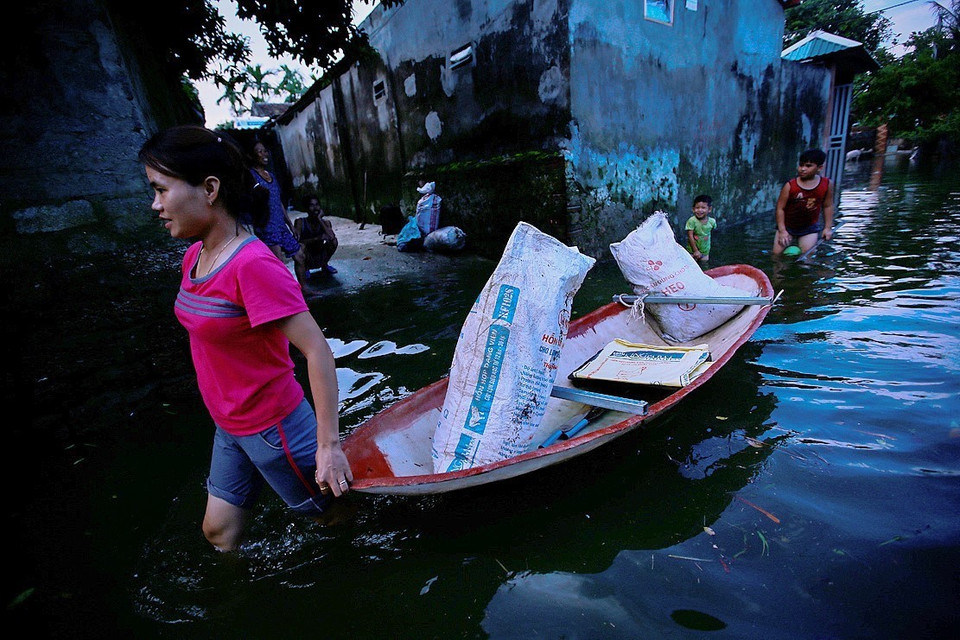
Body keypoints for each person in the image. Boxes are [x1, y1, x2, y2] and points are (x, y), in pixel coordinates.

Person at [139, 125, 352, 552]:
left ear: (210, 189)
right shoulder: (194, 256)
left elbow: (316, 350)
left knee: (338, 523)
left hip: (276, 431)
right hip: (229, 425)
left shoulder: (252, 266)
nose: (155, 205)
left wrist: (329, 447)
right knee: (218, 533)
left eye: (162, 190)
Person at [772, 148, 835, 256]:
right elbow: (780, 208)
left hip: (809, 227)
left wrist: (827, 228)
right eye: (801, 165)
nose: (802, 169)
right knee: (777, 255)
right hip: (788, 226)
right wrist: (782, 231)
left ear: (819, 168)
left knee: (807, 256)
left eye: (808, 166)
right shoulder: (790, 186)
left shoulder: (826, 184)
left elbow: (827, 206)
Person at [249, 141, 303, 263]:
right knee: (279, 263)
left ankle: (302, 283)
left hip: (280, 226)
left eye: (265, 151)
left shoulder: (271, 176)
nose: (264, 154)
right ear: (253, 155)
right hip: (267, 228)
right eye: (259, 151)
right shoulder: (251, 176)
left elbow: (278, 201)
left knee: (300, 256)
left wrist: (290, 225)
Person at [294, 195, 339, 284]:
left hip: (320, 255)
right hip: (307, 256)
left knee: (334, 242)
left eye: (317, 205)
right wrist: (316, 239)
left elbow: (331, 237)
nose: (315, 208)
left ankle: (324, 265)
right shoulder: (300, 222)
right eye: (311, 205)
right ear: (306, 208)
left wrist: (319, 219)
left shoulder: (325, 222)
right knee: (300, 247)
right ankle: (305, 268)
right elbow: (296, 242)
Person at [684, 194, 716, 268]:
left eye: (703, 208)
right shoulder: (692, 221)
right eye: (697, 208)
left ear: (709, 209)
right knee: (691, 268)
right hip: (692, 251)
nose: (700, 210)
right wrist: (695, 251)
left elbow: (710, 233)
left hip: (705, 251)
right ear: (693, 209)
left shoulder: (712, 222)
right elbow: (690, 236)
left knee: (704, 267)